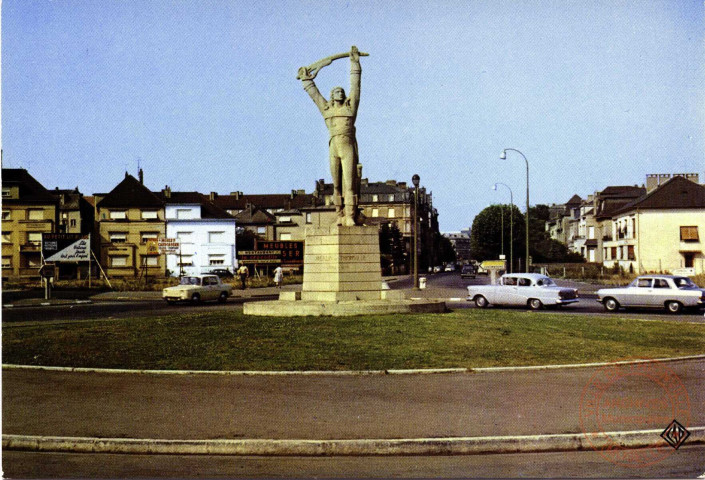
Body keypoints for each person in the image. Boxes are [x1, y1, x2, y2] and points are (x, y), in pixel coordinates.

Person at [299, 46, 362, 227]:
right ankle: (339, 214)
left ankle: (350, 214)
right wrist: (305, 79)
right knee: (336, 184)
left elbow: (356, 88)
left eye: (341, 91)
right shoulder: (326, 110)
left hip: (347, 145)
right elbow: (315, 96)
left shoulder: (350, 109)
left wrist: (355, 64)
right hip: (333, 146)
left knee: (349, 183)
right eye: (336, 91)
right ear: (332, 96)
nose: (340, 92)